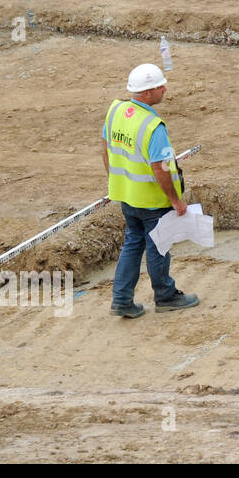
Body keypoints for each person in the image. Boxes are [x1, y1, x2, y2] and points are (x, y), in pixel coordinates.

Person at [103, 63, 199, 318]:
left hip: (127, 195)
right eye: (160, 86)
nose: (165, 89)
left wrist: (114, 179)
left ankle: (122, 300)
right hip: (152, 201)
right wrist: (176, 201)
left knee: (132, 245)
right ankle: (165, 296)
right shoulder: (153, 126)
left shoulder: (116, 110)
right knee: (158, 246)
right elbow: (160, 168)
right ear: (147, 93)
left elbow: (106, 145)